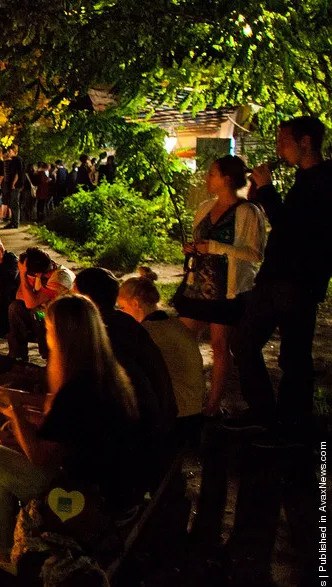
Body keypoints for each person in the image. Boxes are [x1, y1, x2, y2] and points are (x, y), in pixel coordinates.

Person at [0, 294, 139, 574]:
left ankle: (4, 550)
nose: (45, 334)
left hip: (86, 495)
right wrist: (10, 408)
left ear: (62, 336)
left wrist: (13, 409)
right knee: (3, 436)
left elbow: (39, 456)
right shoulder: (102, 371)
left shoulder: (77, 390)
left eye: (48, 328)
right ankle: (3, 521)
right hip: (114, 483)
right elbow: (57, 418)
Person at [230, 116, 332, 438]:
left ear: (305, 142)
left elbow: (293, 229)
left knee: (294, 355)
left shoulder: (325, 181)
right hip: (276, 277)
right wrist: (260, 189)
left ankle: (292, 424)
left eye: (282, 141)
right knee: (244, 341)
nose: (278, 148)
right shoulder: (304, 179)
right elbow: (277, 217)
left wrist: (271, 190)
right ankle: (264, 412)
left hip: (299, 281)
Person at [173, 155, 267, 417]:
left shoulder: (248, 211)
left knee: (219, 345)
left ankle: (212, 406)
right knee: (182, 341)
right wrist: (192, 249)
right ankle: (185, 397)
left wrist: (214, 248)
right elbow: (199, 240)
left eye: (212, 174)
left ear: (227, 179)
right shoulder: (205, 208)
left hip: (228, 290)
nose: (207, 178)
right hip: (197, 286)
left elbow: (254, 253)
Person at [74, 268, 177, 437]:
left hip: (140, 431)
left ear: (85, 299)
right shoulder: (127, 322)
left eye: (74, 294)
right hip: (161, 421)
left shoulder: (101, 333)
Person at [118, 276, 205, 421]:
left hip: (177, 413)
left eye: (122, 307)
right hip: (193, 406)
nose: (122, 312)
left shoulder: (147, 332)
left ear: (135, 304)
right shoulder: (175, 324)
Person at [6, 247, 75, 360]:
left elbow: (31, 304)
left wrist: (23, 274)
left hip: (58, 319)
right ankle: (18, 355)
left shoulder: (61, 277)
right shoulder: (39, 273)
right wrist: (26, 278)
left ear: (37, 273)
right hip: (41, 314)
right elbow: (19, 297)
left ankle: (49, 356)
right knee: (15, 307)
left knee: (37, 313)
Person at [1, 145, 25, 229]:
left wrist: (13, 183)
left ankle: (15, 222)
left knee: (14, 203)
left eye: (9, 151)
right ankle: (13, 221)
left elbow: (17, 173)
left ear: (13, 151)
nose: (8, 153)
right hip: (17, 184)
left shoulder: (16, 160)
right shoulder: (18, 160)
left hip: (15, 185)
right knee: (13, 203)